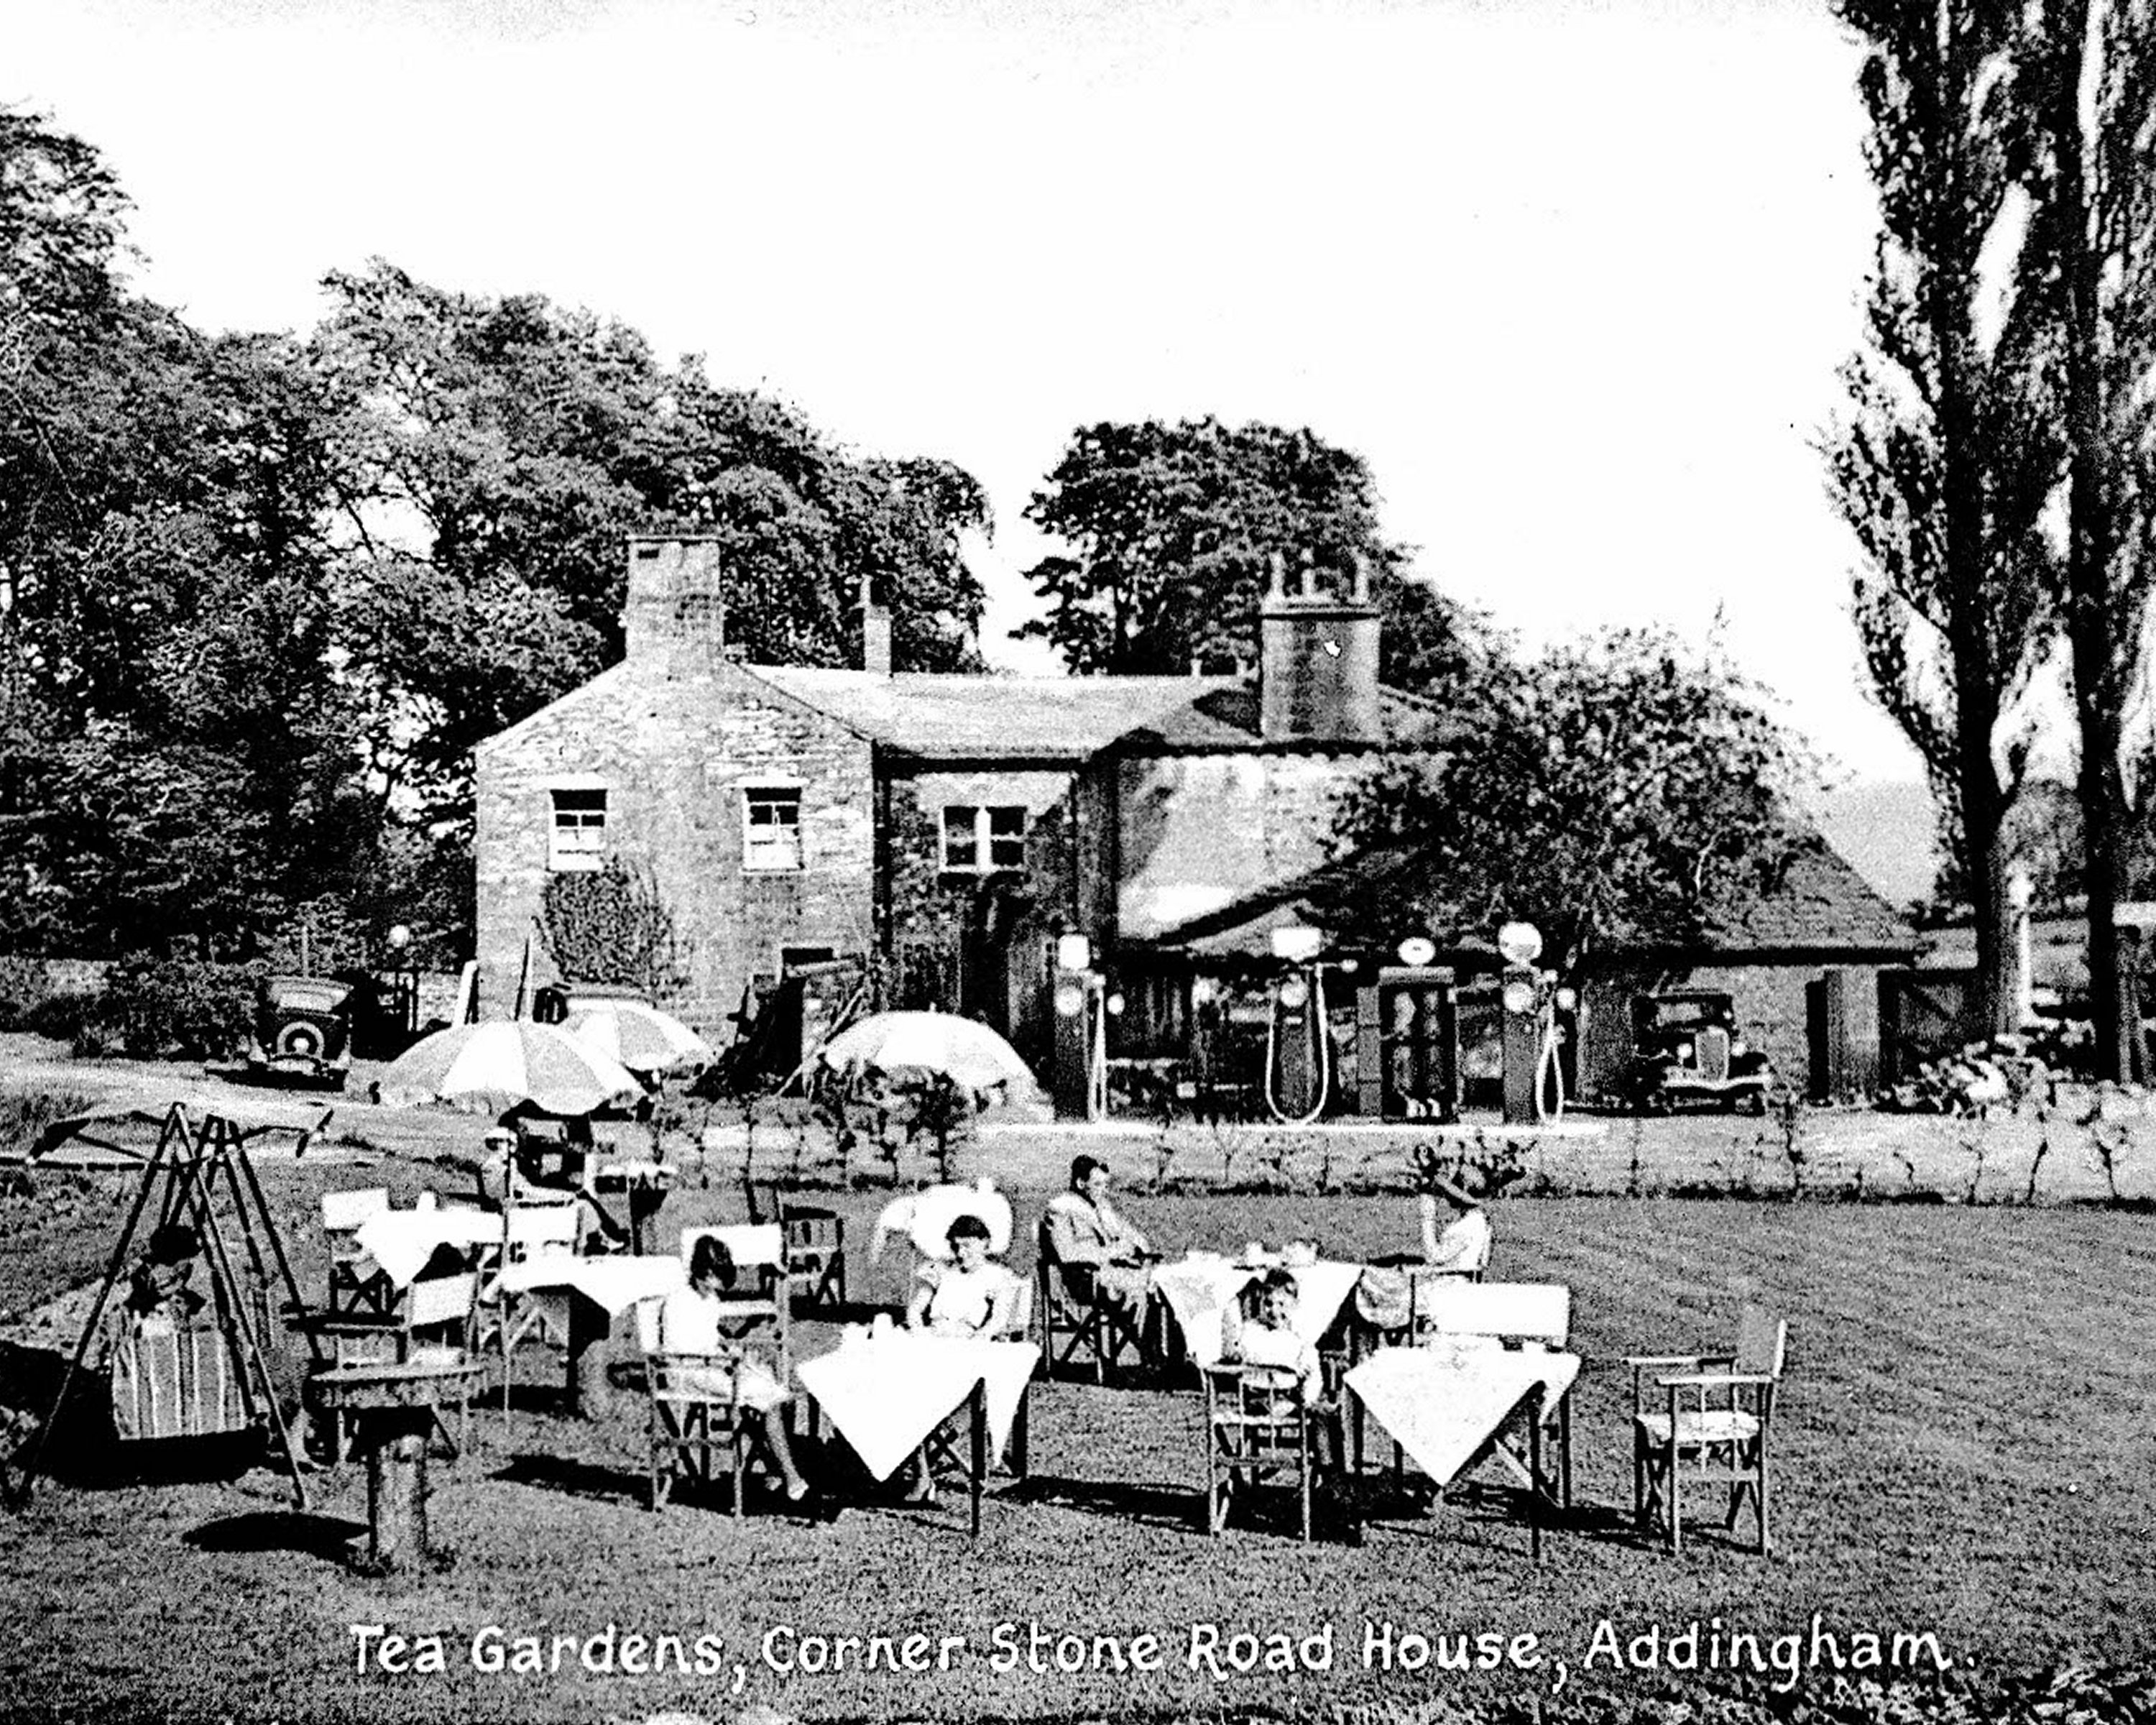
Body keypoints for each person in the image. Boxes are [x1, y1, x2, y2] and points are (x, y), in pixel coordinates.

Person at [655, 1234, 811, 1502]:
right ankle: (791, 1477)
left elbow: (712, 1340)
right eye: (715, 1279)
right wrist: (727, 1362)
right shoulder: (679, 1302)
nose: (717, 1287)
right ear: (702, 1272)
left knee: (774, 1387)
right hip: (686, 1372)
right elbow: (679, 1353)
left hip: (711, 1366)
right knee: (764, 1396)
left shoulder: (710, 1299)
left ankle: (777, 1470)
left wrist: (735, 1353)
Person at [902, 1211, 1021, 1503]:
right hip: (933, 1341)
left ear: (985, 1243)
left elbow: (998, 1321)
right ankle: (919, 1472)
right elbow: (915, 1311)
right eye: (956, 1246)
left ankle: (922, 1467)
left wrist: (977, 1339)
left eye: (968, 1246)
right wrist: (919, 1332)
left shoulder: (998, 1277)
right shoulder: (940, 1271)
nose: (961, 1252)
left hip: (968, 1346)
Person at [1041, 1154, 1158, 1353]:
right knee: (1142, 1290)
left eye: (1106, 1184)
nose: (1104, 1190)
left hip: (1108, 1275)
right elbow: (1067, 1253)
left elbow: (1126, 1232)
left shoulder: (1101, 1207)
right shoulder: (1060, 1209)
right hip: (1082, 1280)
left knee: (1162, 1285)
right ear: (1080, 1183)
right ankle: (1152, 1354)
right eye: (1098, 1184)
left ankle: (1170, 1356)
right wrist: (1113, 1251)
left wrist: (1140, 1247)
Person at [1419, 1175, 1491, 1276]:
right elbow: (1484, 1262)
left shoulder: (1466, 1226)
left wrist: (1427, 1219)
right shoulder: (1481, 1220)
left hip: (1452, 1283)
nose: (1447, 1196)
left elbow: (1435, 1257)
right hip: (1466, 1279)